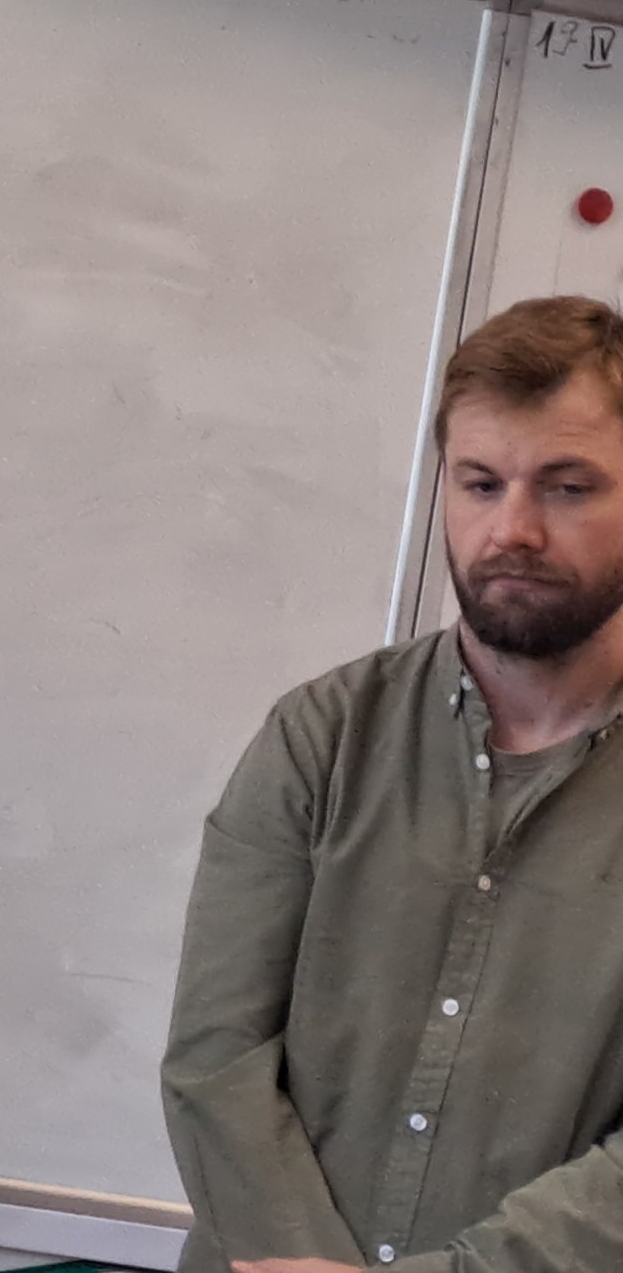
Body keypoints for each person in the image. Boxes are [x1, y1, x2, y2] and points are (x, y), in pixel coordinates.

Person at [162, 295, 623, 1273]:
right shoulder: (320, 739)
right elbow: (215, 1059)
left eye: (567, 487)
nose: (512, 530)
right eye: (479, 483)